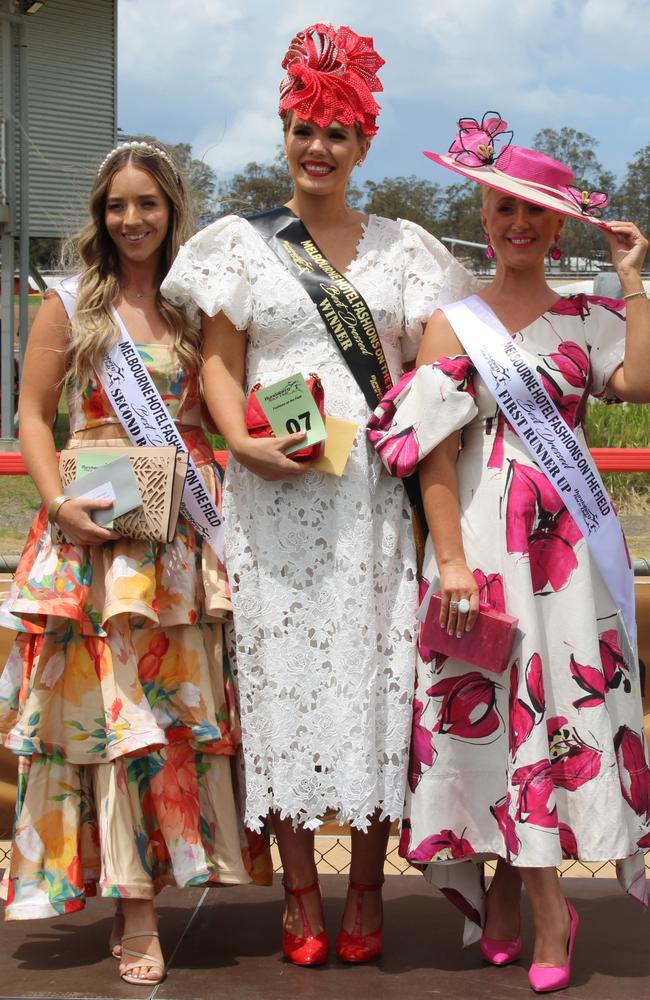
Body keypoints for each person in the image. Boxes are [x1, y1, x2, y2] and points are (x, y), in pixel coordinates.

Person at [162, 22, 475, 966]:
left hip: (371, 499)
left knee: (376, 684)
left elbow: (432, 374)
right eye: (303, 127)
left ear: (364, 144)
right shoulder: (243, 246)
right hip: (273, 497)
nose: (317, 148)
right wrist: (243, 447)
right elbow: (220, 367)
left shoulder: (405, 250)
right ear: (283, 132)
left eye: (337, 133)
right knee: (281, 680)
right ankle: (301, 890)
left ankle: (368, 888)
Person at [368, 113, 650, 992]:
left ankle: (535, 902)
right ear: (483, 220)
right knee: (485, 711)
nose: (517, 226)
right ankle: (526, 898)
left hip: (567, 553)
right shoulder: (455, 325)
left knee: (558, 712)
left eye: (534, 214)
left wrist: (635, 282)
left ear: (558, 226)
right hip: (482, 550)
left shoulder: (588, 316)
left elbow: (639, 383)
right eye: (501, 210)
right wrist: (449, 562)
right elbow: (433, 455)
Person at [0, 139, 270, 985]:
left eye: (147, 204)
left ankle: (162, 881)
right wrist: (57, 504)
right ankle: (137, 912)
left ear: (172, 209)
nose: (131, 219)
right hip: (91, 544)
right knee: (110, 729)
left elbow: (236, 408)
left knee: (173, 728)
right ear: (100, 213)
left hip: (177, 551)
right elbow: (35, 418)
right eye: (117, 205)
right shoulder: (71, 303)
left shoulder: (197, 307)